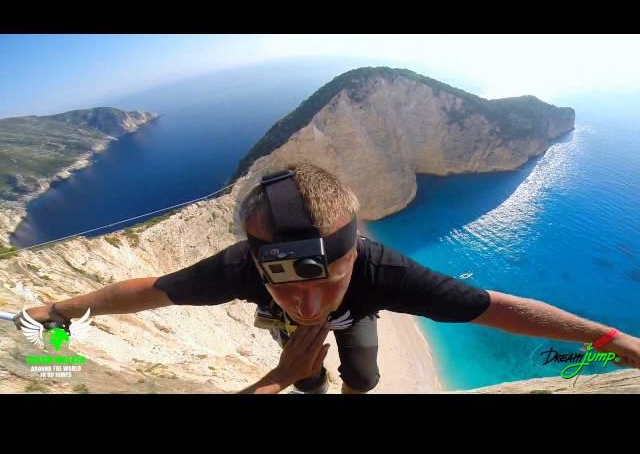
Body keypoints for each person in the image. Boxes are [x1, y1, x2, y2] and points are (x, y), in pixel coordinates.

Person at [17, 164, 640, 394]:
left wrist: (612, 342)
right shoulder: (239, 266)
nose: (308, 299)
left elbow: (497, 307)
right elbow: (150, 289)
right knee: (309, 380)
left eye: (328, 276)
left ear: (356, 254)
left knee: (362, 377)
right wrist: (59, 309)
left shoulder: (385, 269)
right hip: (303, 340)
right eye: (285, 281)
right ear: (257, 263)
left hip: (345, 323)